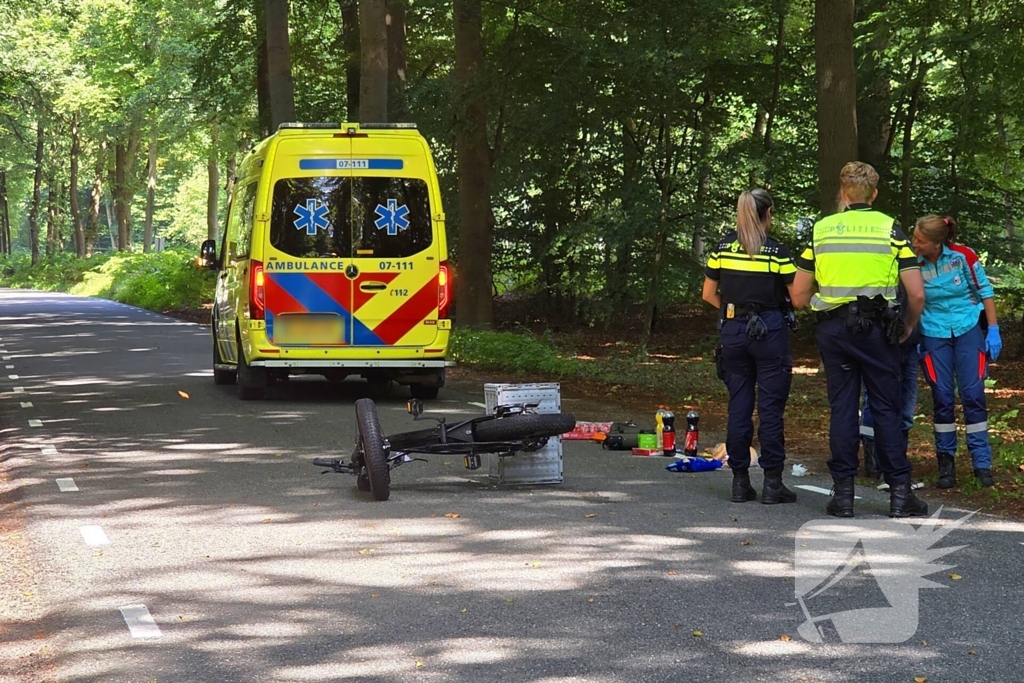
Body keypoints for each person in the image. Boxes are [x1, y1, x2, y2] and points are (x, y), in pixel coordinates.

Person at [790, 161, 928, 518]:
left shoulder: (821, 231)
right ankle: (900, 494)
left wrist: (826, 309)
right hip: (880, 330)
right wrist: (909, 326)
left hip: (835, 331)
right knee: (886, 408)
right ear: (874, 193)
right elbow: (915, 293)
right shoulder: (891, 230)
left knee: (843, 408)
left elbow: (800, 295)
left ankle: (844, 495)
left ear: (843, 192)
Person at [702, 188, 798, 505]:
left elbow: (708, 294)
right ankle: (772, 483)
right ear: (768, 213)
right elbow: (796, 296)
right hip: (770, 331)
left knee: (739, 406)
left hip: (733, 329)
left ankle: (740, 482)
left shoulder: (722, 249)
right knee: (771, 410)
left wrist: (732, 311)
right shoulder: (778, 252)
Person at [911, 215, 1001, 488]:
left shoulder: (963, 256)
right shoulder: (913, 262)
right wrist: (911, 333)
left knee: (973, 394)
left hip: (967, 327)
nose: (914, 243)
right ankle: (946, 462)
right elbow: (909, 297)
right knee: (942, 396)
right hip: (932, 331)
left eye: (920, 240)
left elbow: (985, 291)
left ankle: (981, 462)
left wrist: (993, 329)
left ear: (937, 243)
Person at [859, 286, 921, 481]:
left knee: (903, 406)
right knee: (876, 400)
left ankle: (896, 461)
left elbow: (917, 297)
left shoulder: (911, 264)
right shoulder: (882, 262)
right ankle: (874, 459)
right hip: (882, 341)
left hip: (908, 343)